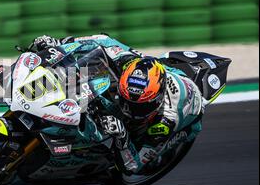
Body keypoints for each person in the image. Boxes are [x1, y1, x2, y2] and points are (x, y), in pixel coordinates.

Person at [30, 34, 204, 175]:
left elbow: (132, 166)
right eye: (126, 101)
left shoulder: (166, 121)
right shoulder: (125, 60)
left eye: (139, 107)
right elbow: (99, 40)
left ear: (157, 101)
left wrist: (122, 136)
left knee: (147, 158)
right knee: (92, 70)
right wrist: (58, 44)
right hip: (157, 74)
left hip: (186, 121)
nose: (129, 111)